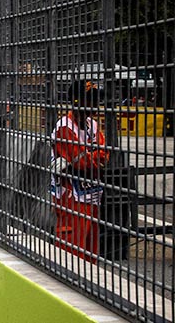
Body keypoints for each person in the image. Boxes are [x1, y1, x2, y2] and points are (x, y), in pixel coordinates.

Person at [52, 79, 110, 261]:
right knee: (71, 247)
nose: (95, 104)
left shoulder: (93, 124)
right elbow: (82, 162)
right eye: (90, 99)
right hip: (71, 196)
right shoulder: (65, 126)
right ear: (76, 101)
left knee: (91, 248)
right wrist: (92, 157)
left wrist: (91, 157)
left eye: (96, 99)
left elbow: (104, 155)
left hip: (92, 193)